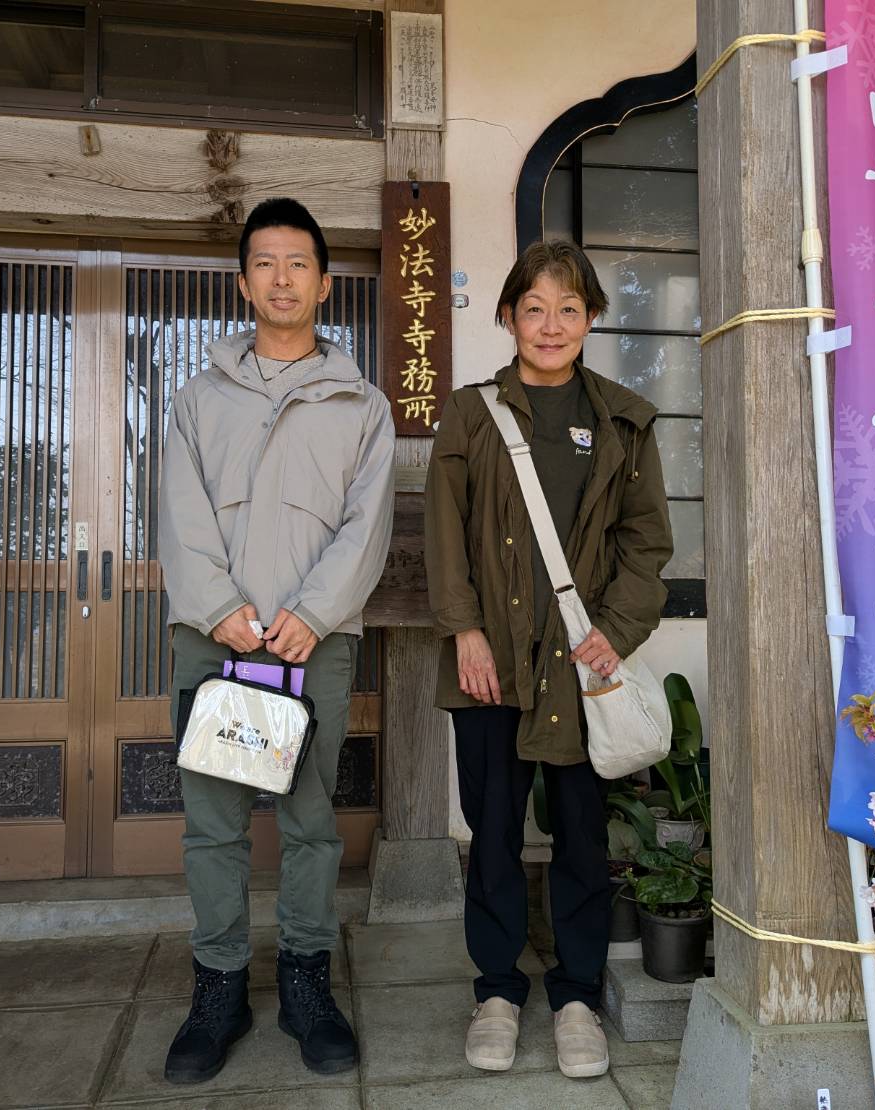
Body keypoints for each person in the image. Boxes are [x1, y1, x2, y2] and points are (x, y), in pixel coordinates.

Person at [158, 197, 395, 1084]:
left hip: (312, 643)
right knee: (213, 824)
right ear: (243, 282)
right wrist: (220, 607)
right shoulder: (200, 397)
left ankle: (306, 983)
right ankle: (217, 987)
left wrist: (314, 613)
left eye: (299, 263)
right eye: (265, 262)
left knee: (310, 819)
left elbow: (367, 525)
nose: (282, 278)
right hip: (212, 637)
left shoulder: (361, 404)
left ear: (325, 284)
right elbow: (179, 513)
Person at [425, 239, 673, 1079]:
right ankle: (496, 991)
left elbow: (647, 544)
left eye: (569, 308)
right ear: (507, 317)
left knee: (580, 836)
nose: (551, 324)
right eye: (534, 308)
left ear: (592, 318)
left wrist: (617, 630)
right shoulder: (470, 414)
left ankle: (575, 997)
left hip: (579, 664)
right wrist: (464, 631)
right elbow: (446, 534)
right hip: (489, 661)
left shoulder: (625, 421)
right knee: (492, 832)